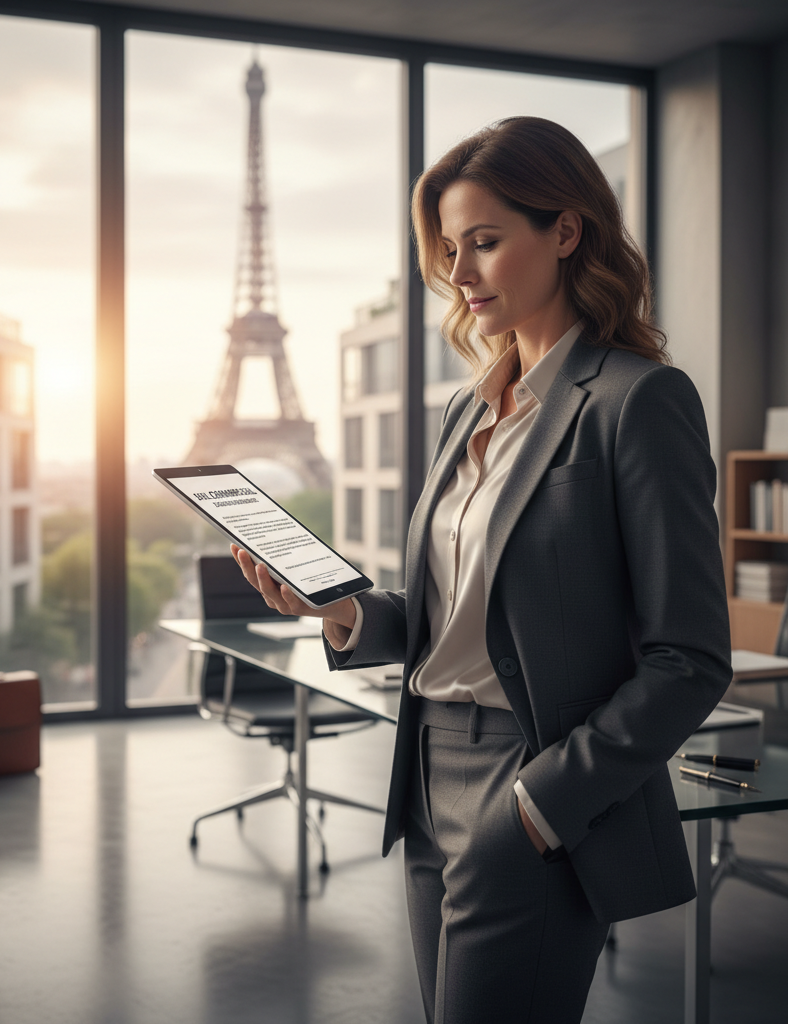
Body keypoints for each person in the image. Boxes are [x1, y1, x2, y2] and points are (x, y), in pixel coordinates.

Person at [232, 115, 731, 1023]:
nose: (458, 278)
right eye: (449, 251)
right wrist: (339, 610)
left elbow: (689, 657)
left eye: (485, 244)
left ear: (566, 232)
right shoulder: (469, 407)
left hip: (529, 776)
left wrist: (543, 804)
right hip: (425, 771)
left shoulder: (639, 401)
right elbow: (450, 613)